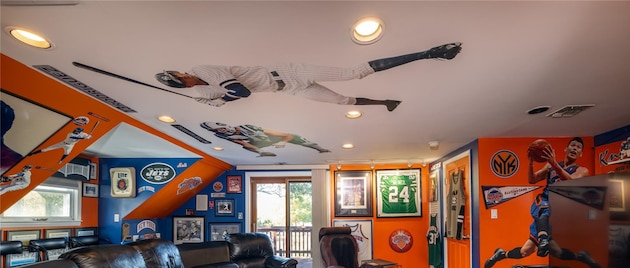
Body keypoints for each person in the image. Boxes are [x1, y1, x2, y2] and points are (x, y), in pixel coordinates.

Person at [156, 42, 462, 111]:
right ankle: (385, 103)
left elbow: (243, 93)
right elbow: (220, 100)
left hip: (288, 72)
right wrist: (215, 99)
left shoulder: (204, 71)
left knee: (355, 73)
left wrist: (221, 96)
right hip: (285, 89)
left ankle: (428, 53)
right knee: (342, 100)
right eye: (180, 79)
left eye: (181, 74)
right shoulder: (199, 90)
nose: (185, 76)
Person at [484, 137, 602, 268]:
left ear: (581, 153)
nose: (575, 148)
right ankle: (541, 239)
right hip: (545, 201)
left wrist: (554, 164)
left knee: (537, 251)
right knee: (543, 206)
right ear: (566, 149)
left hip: (561, 209)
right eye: (572, 145)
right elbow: (532, 179)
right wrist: (530, 163)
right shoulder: (551, 165)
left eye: (578, 147)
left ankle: (580, 256)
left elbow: (570, 181)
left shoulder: (582, 170)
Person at [201, 122, 330, 157]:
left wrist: (282, 142)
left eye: (222, 129)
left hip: (271, 138)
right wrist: (260, 151)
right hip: (259, 143)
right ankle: (261, 152)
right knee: (246, 147)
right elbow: (244, 144)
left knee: (293, 136)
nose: (222, 132)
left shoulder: (248, 126)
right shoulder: (230, 137)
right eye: (219, 131)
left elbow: (286, 135)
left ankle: (317, 147)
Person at [27, 127, 92, 164]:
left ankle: (61, 160)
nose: (75, 131)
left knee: (66, 153)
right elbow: (74, 138)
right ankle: (33, 153)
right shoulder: (70, 134)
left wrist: (88, 137)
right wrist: (82, 138)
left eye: (77, 131)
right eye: (75, 130)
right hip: (63, 143)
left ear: (80, 132)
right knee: (47, 149)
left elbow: (90, 137)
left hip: (70, 145)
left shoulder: (83, 134)